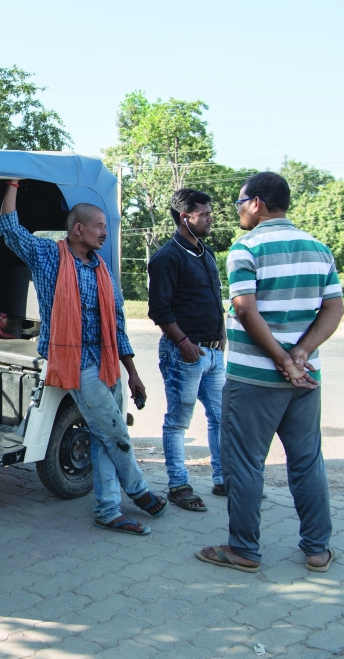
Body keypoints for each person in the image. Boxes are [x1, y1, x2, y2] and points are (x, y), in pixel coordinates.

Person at [0, 181, 166, 535]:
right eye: (100, 226)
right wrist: (12, 182)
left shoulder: (102, 270)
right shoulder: (47, 256)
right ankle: (139, 491)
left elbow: (118, 327)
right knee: (116, 432)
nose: (106, 232)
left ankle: (107, 509)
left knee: (103, 434)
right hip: (77, 364)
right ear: (78, 229)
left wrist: (132, 373)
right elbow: (10, 229)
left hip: (107, 363)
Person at [197, 172, 344, 573]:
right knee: (307, 461)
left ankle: (244, 550)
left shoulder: (246, 247)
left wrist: (281, 360)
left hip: (255, 380)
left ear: (257, 202)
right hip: (305, 378)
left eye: (240, 202)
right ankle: (317, 549)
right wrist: (300, 353)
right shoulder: (319, 248)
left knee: (244, 463)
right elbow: (335, 309)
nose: (238, 209)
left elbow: (245, 309)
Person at [146, 189, 226, 511]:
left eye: (209, 213)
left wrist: (221, 334)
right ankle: (179, 485)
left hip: (213, 354)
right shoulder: (167, 257)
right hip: (184, 354)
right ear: (185, 218)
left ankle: (222, 479)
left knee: (221, 418)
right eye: (204, 214)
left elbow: (215, 297)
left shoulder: (205, 252)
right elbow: (159, 310)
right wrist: (184, 343)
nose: (210, 219)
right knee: (178, 422)